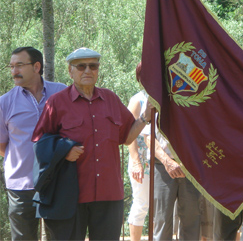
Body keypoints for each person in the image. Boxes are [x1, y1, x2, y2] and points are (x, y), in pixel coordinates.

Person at [32, 47, 151, 241]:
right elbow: (39, 144)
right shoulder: (56, 103)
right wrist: (63, 151)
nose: (87, 70)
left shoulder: (111, 99)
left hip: (109, 194)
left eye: (93, 66)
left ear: (98, 69)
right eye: (81, 66)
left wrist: (145, 116)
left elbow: (127, 137)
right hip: (69, 196)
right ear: (71, 71)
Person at [0, 47, 66, 240]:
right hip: (20, 186)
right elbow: (3, 146)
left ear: (37, 66)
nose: (14, 71)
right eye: (11, 66)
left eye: (19, 65)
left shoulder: (60, 92)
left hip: (57, 182)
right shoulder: (5, 102)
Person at [143, 113, 201, 241]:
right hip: (161, 165)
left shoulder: (197, 98)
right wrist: (167, 161)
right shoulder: (157, 98)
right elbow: (148, 136)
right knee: (162, 219)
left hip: (191, 166)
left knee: (192, 219)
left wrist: (189, 160)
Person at [127, 63, 151, 241]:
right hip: (142, 160)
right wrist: (136, 161)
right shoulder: (138, 100)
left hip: (160, 160)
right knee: (141, 203)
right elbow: (129, 133)